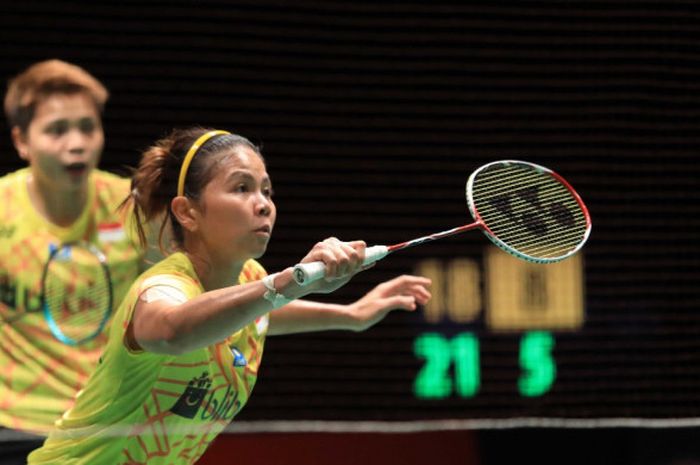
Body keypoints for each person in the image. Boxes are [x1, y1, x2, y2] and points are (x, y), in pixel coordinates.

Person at [27, 127, 432, 465]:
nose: (263, 206)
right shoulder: (163, 288)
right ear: (188, 212)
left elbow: (256, 313)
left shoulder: (248, 280)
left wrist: (352, 314)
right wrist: (286, 282)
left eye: (267, 191)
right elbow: (173, 331)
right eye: (241, 188)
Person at [0, 60, 149, 462]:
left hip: (104, 423)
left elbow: (189, 295)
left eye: (87, 126)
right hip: (15, 427)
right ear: (22, 141)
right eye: (57, 130)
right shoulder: (2, 209)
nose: (77, 142)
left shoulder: (129, 207)